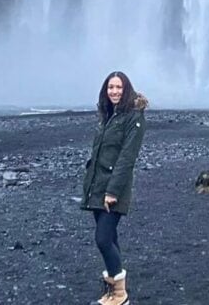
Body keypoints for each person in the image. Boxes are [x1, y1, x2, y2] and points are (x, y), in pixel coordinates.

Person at [81, 70, 148, 305]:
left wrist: (112, 192)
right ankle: (113, 293)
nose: (115, 91)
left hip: (113, 190)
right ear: (105, 90)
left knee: (102, 239)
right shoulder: (108, 116)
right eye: (111, 87)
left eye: (119, 87)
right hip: (96, 187)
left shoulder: (134, 118)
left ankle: (120, 295)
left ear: (126, 89)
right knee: (110, 239)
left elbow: (127, 158)